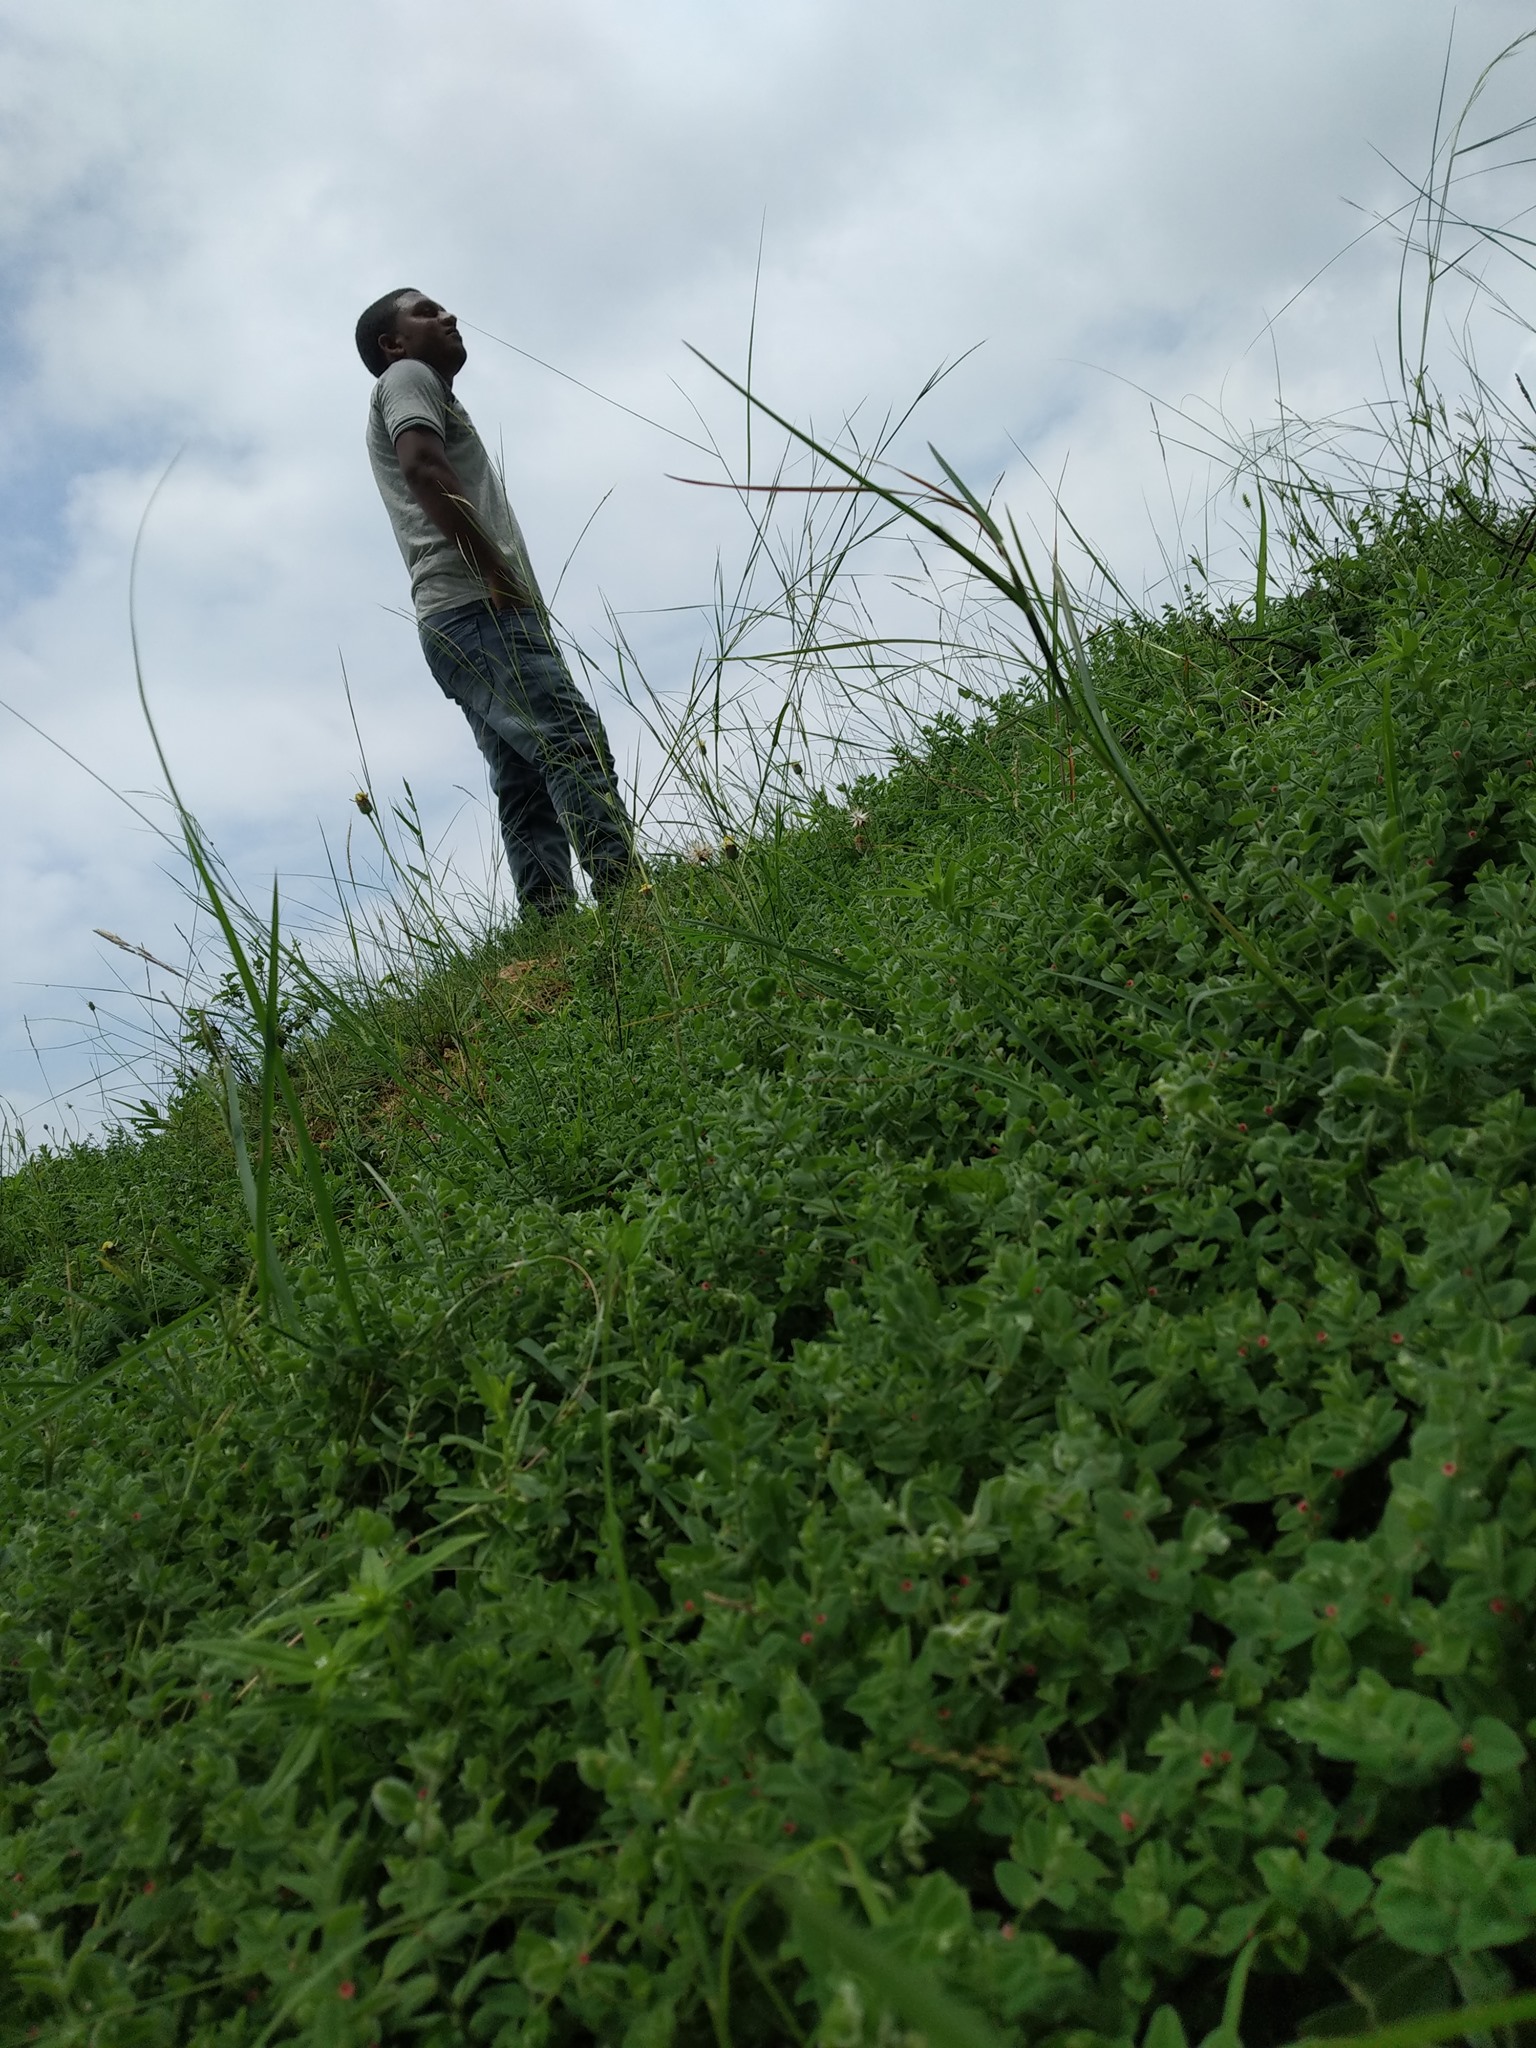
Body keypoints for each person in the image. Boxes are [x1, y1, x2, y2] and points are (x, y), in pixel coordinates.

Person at [355, 287, 636, 918]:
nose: (449, 316)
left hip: (452, 617)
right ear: (392, 344)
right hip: (476, 605)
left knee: (524, 777)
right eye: (426, 312)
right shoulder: (407, 376)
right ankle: (628, 894)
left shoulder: (421, 385)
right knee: (571, 739)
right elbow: (425, 467)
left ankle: (550, 927)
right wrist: (496, 574)